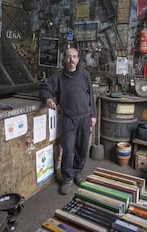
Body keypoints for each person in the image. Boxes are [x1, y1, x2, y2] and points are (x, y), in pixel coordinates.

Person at [40, 47, 96, 195]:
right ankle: (67, 178)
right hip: (69, 118)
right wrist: (48, 97)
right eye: (69, 57)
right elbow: (45, 88)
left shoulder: (84, 74)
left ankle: (78, 172)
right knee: (68, 149)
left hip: (85, 117)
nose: (72, 60)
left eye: (75, 56)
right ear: (65, 59)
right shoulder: (58, 76)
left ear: (78, 59)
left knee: (82, 147)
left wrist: (93, 115)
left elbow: (91, 95)